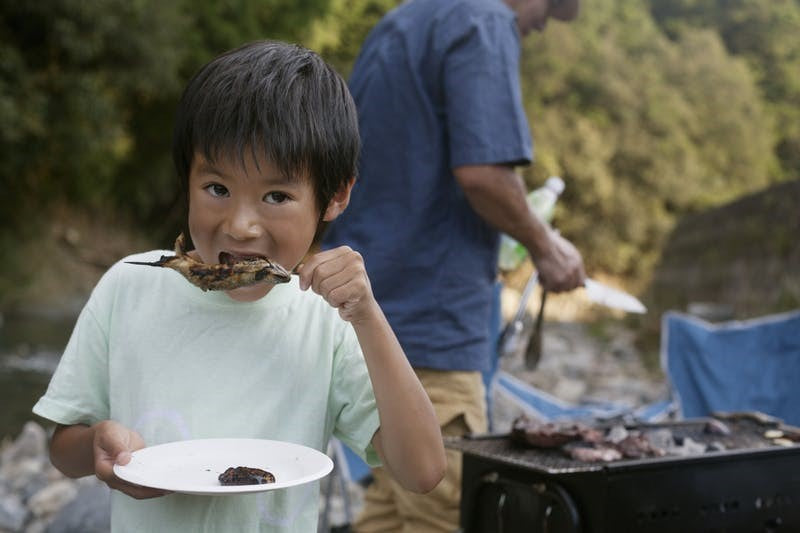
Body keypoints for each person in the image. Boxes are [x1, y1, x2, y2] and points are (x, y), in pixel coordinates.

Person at [32, 40, 445, 533]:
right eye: (217, 189)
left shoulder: (327, 317)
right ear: (186, 178)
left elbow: (422, 471)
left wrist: (369, 317)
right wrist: (99, 442)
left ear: (335, 197)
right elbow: (63, 448)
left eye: (276, 195)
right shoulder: (129, 286)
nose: (241, 225)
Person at [321, 0, 586, 530]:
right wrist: (547, 245)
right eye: (549, 12)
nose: (538, 27)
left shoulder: (399, 23)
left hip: (367, 321)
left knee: (389, 509)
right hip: (431, 328)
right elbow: (484, 172)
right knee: (441, 510)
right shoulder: (484, 21)